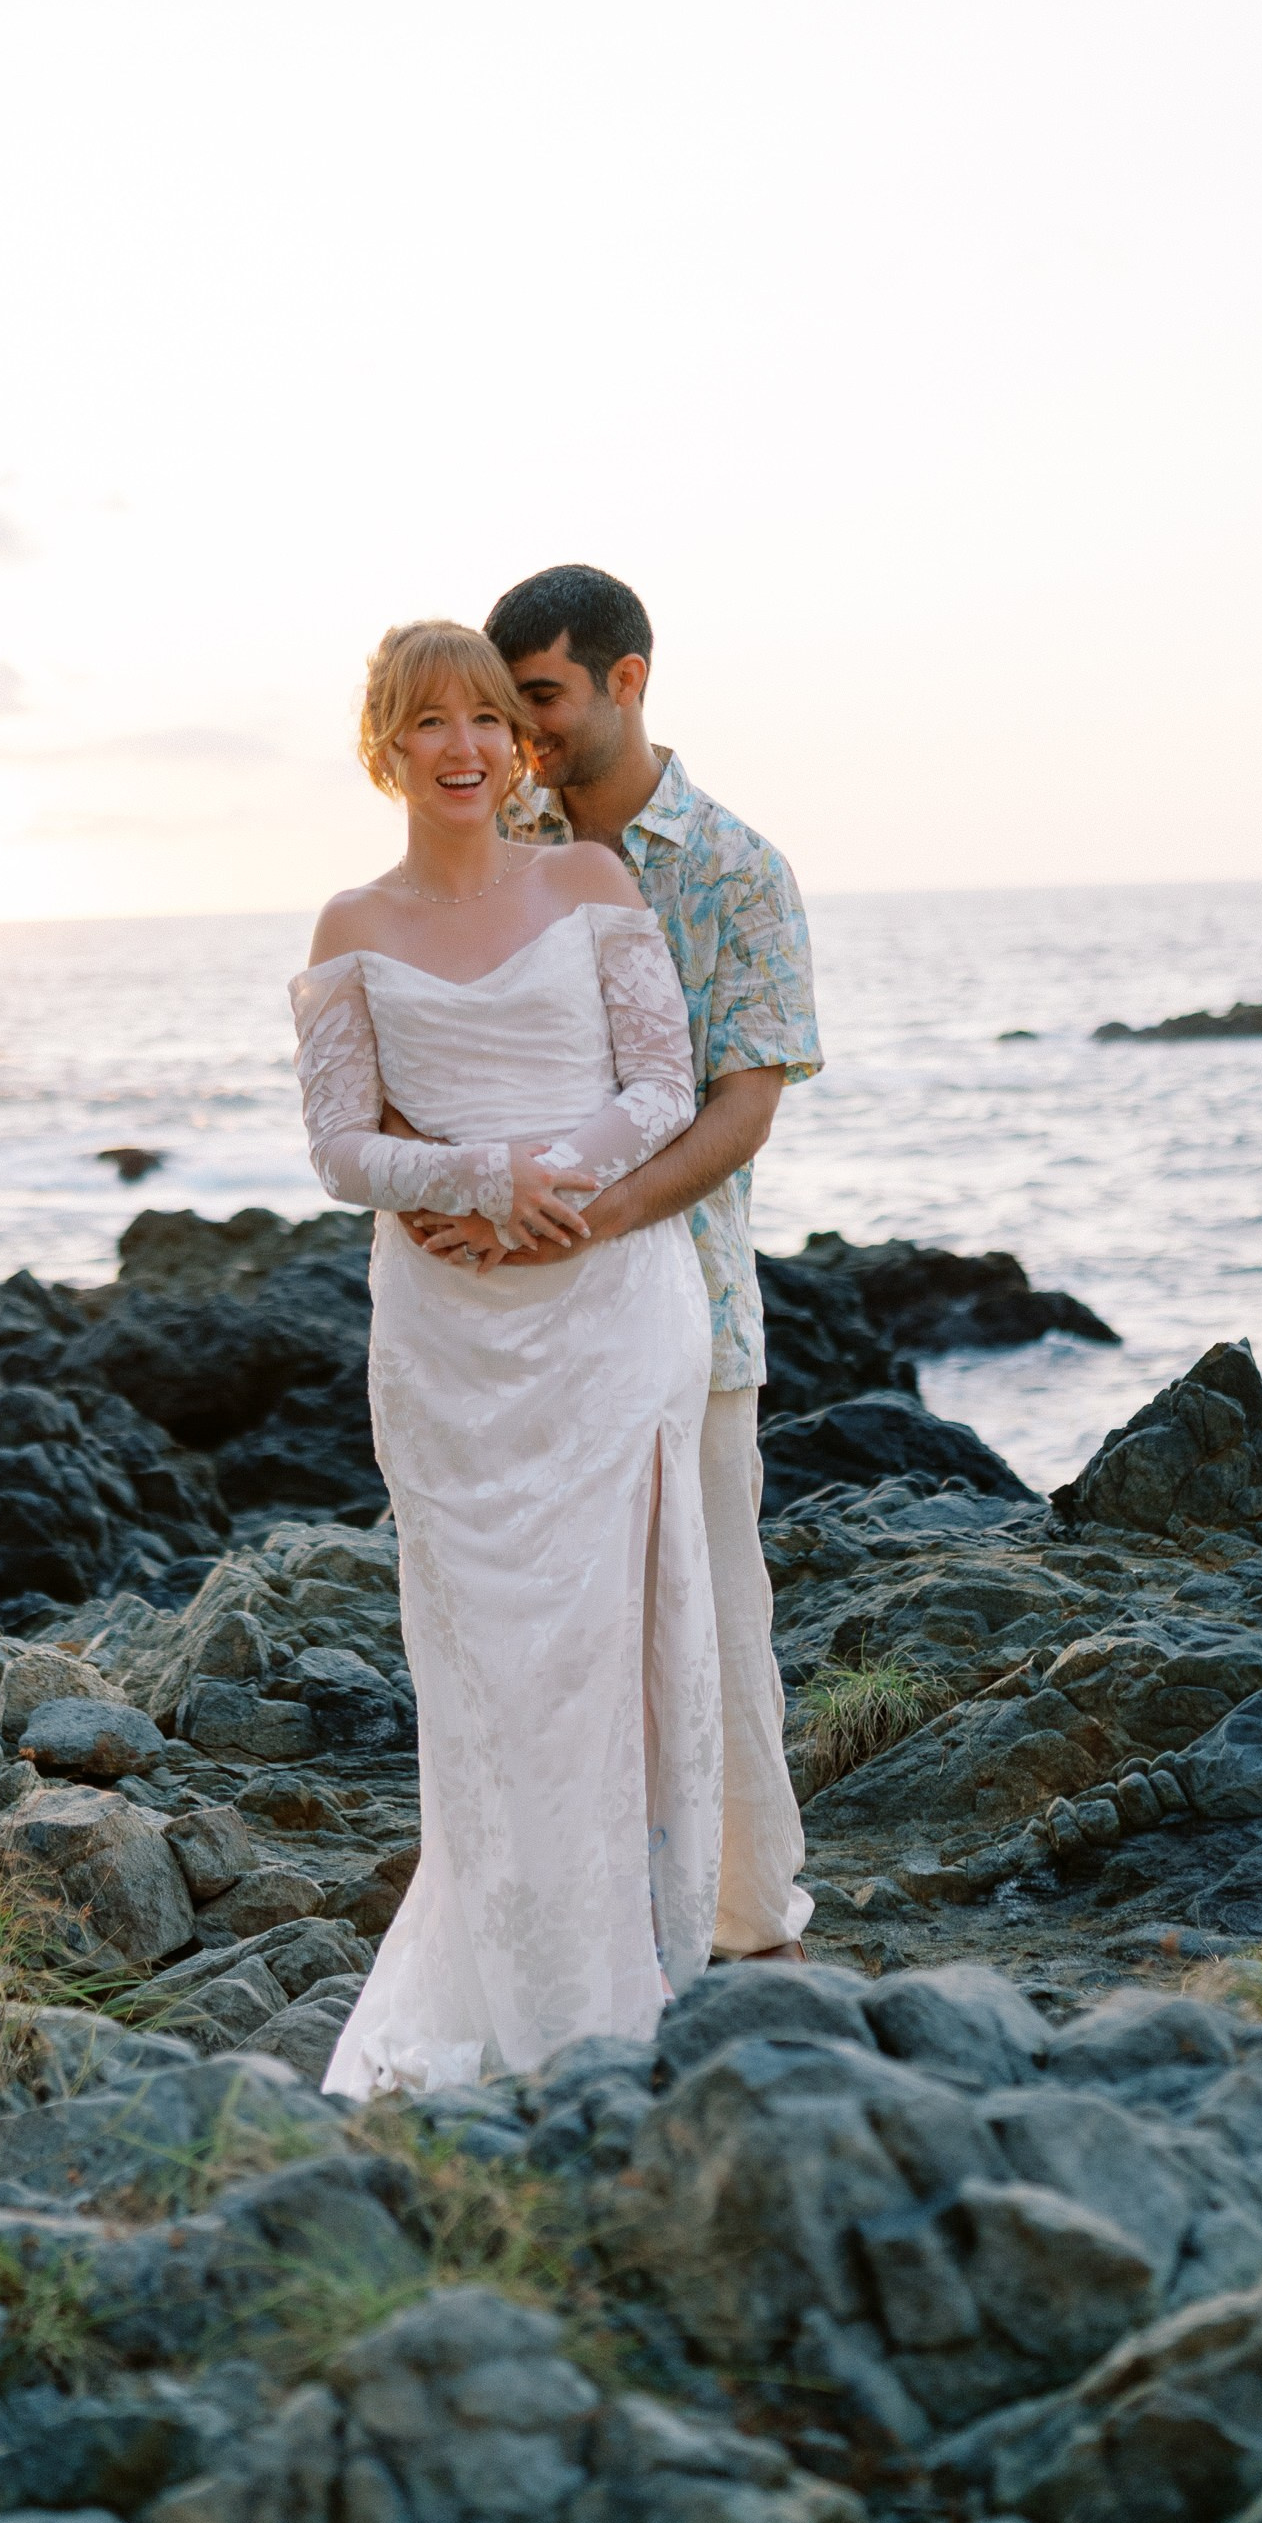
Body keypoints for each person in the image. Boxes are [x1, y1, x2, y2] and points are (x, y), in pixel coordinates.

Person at [290, 619, 723, 2097]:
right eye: (429, 724)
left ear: (513, 740)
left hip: (609, 1315)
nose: (464, 746)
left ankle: (624, 1981)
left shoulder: (589, 883)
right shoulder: (350, 925)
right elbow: (344, 1150)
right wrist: (483, 1182)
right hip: (448, 1346)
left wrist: (557, 1195)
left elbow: (663, 1081)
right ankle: (501, 1978)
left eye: (487, 716)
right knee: (486, 1664)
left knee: (600, 1649)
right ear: (385, 748)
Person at [397, 565, 820, 1964]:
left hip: (683, 1300)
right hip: (505, 1322)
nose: (515, 736)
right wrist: (437, 1191)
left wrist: (596, 1213)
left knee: (714, 1618)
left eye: (539, 701)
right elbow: (413, 1024)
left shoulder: (742, 871)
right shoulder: (494, 829)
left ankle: (748, 1919)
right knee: (549, 1636)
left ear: (625, 683)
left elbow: (743, 1105)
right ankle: (573, 1924)